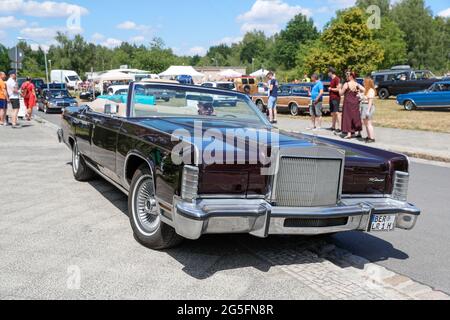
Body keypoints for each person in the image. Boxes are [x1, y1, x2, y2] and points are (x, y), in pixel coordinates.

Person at [340, 71, 364, 139]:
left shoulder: (346, 84)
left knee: (348, 117)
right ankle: (359, 132)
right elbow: (364, 90)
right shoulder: (357, 84)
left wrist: (339, 89)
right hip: (355, 102)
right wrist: (359, 93)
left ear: (350, 77)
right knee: (356, 116)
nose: (346, 77)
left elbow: (341, 93)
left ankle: (349, 133)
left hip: (348, 102)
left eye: (347, 76)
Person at [361, 76, 376, 143]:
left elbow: (370, 101)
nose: (363, 83)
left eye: (364, 81)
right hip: (365, 106)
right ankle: (369, 136)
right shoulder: (366, 90)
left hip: (368, 107)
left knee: (369, 123)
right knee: (366, 123)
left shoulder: (371, 90)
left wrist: (368, 111)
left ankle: (372, 138)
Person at [327, 67, 342, 133]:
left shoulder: (337, 79)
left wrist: (331, 89)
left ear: (331, 72)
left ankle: (340, 127)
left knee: (337, 112)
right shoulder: (332, 79)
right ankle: (333, 126)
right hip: (331, 97)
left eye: (328, 72)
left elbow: (338, 89)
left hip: (336, 98)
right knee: (333, 113)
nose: (328, 73)